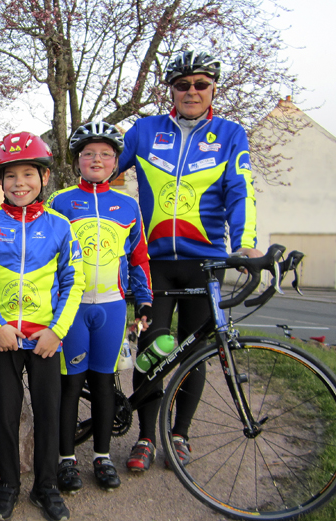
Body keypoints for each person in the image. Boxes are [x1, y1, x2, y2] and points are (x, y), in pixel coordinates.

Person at [119, 50, 260, 472]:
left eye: (201, 84)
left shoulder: (231, 134)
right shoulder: (144, 131)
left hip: (206, 263)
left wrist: (247, 243)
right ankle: (145, 436)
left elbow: (241, 190)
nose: (192, 91)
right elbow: (102, 168)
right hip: (154, 262)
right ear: (171, 91)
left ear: (213, 88)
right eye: (183, 85)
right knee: (151, 349)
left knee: (194, 352)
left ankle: (179, 435)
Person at [0, 132, 84, 521]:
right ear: (0, 181)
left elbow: (73, 283)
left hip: (46, 339)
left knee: (49, 415)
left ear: (44, 177)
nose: (20, 183)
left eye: (28, 174)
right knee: (7, 415)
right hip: (4, 341)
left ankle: (45, 487)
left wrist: (57, 330)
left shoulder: (61, 226)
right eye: (11, 176)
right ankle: (8, 486)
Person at [48, 121, 152, 492]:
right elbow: (47, 255)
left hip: (110, 307)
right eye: (89, 153)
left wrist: (144, 299)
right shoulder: (60, 201)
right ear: (77, 160)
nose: (97, 159)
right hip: (71, 309)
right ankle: (65, 459)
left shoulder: (128, 205)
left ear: (115, 162)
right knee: (71, 385)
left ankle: (102, 457)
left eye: (105, 154)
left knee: (105, 385)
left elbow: (139, 258)